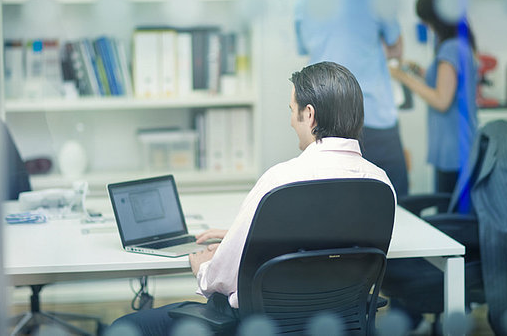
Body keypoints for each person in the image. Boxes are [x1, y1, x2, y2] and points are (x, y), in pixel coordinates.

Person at [108, 62, 395, 335]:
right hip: (342, 323)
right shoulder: (380, 184)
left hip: (257, 327)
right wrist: (244, 235)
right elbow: (330, 251)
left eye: (291, 109)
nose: (290, 120)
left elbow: (223, 279)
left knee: (129, 326)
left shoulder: (281, 180)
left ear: (309, 115)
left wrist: (203, 269)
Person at [294, 0, 409, 197]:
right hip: (376, 120)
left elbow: (306, 48)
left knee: (335, 211)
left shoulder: (304, 3)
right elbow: (396, 49)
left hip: (327, 126)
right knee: (397, 208)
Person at [389, 0, 478, 194]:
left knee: (450, 218)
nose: (427, 27)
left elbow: (441, 100)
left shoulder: (450, 48)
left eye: (427, 21)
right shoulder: (459, 44)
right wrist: (418, 71)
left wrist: (403, 78)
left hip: (454, 150)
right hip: (459, 146)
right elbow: (447, 83)